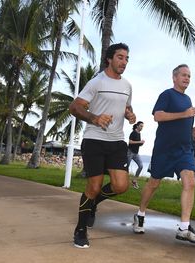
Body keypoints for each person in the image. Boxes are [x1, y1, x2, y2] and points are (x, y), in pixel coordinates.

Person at [69, 43, 136, 249]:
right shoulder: (96, 82)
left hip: (116, 141)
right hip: (95, 140)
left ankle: (93, 204)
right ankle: (80, 230)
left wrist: (130, 114)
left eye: (126, 58)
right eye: (120, 57)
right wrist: (94, 118)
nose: (124, 62)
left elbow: (127, 106)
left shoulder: (127, 85)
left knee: (121, 186)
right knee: (94, 186)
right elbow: (75, 107)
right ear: (109, 59)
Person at [132, 64, 195, 243]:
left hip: (184, 150)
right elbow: (158, 116)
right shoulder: (167, 95)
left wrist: (191, 132)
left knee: (190, 182)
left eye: (189, 76)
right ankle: (140, 214)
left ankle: (184, 228)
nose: (187, 78)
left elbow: (181, 123)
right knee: (153, 183)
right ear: (174, 77)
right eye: (183, 75)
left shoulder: (187, 99)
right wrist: (184, 114)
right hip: (164, 150)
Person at [127, 121, 145, 189]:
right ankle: (124, 182)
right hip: (130, 152)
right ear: (137, 126)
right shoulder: (133, 133)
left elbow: (136, 143)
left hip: (136, 153)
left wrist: (141, 143)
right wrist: (139, 142)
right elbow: (130, 142)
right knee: (126, 167)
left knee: (141, 166)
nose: (142, 127)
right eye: (141, 126)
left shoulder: (139, 133)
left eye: (142, 126)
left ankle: (134, 180)